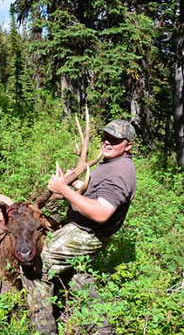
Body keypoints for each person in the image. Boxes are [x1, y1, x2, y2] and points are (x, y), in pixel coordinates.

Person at [23, 120, 137, 335]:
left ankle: (43, 330)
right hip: (81, 229)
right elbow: (100, 196)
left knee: (36, 264)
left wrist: (64, 190)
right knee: (74, 275)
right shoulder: (111, 163)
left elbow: (102, 213)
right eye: (105, 136)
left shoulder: (120, 171)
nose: (107, 142)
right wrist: (79, 187)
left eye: (115, 139)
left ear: (128, 145)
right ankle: (102, 329)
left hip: (87, 234)